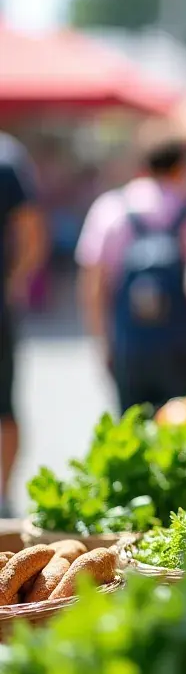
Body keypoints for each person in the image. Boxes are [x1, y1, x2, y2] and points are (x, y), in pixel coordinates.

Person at [77, 136, 186, 412]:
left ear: (142, 167)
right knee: (179, 430)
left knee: (131, 432)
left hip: (130, 344)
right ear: (181, 169)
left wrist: (102, 341)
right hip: (179, 345)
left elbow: (93, 284)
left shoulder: (111, 208)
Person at [0, 134, 47, 516]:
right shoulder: (8, 155)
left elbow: (31, 230)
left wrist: (15, 283)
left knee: (4, 400)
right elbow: (33, 232)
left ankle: (3, 495)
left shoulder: (7, 156)